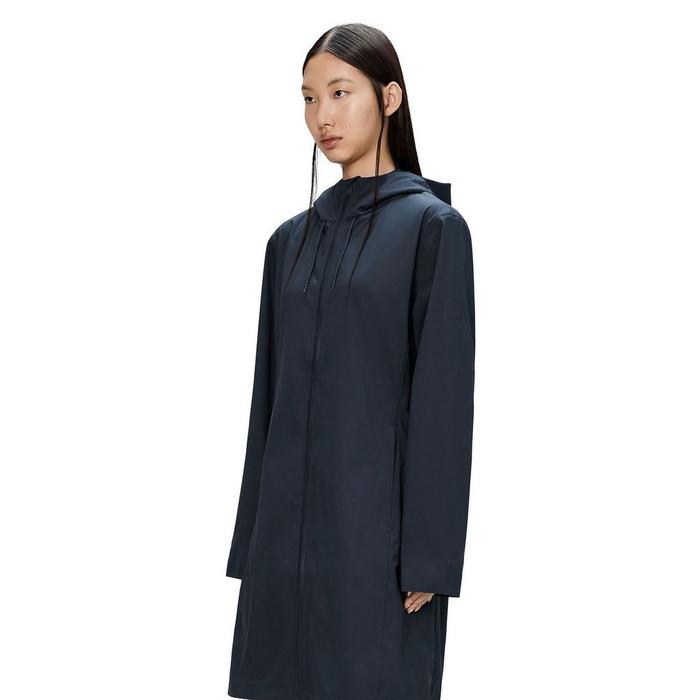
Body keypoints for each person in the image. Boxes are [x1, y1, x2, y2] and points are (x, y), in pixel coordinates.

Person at [225, 22, 476, 700]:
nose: (322, 117)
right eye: (309, 99)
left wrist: (429, 555)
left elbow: (444, 402)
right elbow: (267, 401)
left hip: (377, 551)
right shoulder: (288, 243)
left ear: (389, 98)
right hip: (283, 548)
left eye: (340, 93)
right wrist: (253, 544)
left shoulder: (432, 229)